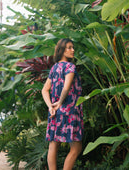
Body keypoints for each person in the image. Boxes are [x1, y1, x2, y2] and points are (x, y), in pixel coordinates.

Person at [42, 38, 84, 170]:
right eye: (69, 47)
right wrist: (59, 103)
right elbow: (66, 87)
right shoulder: (70, 67)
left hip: (55, 112)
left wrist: (51, 106)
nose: (73, 50)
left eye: (73, 47)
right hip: (70, 111)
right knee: (76, 147)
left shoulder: (54, 68)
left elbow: (44, 90)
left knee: (54, 145)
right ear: (62, 50)